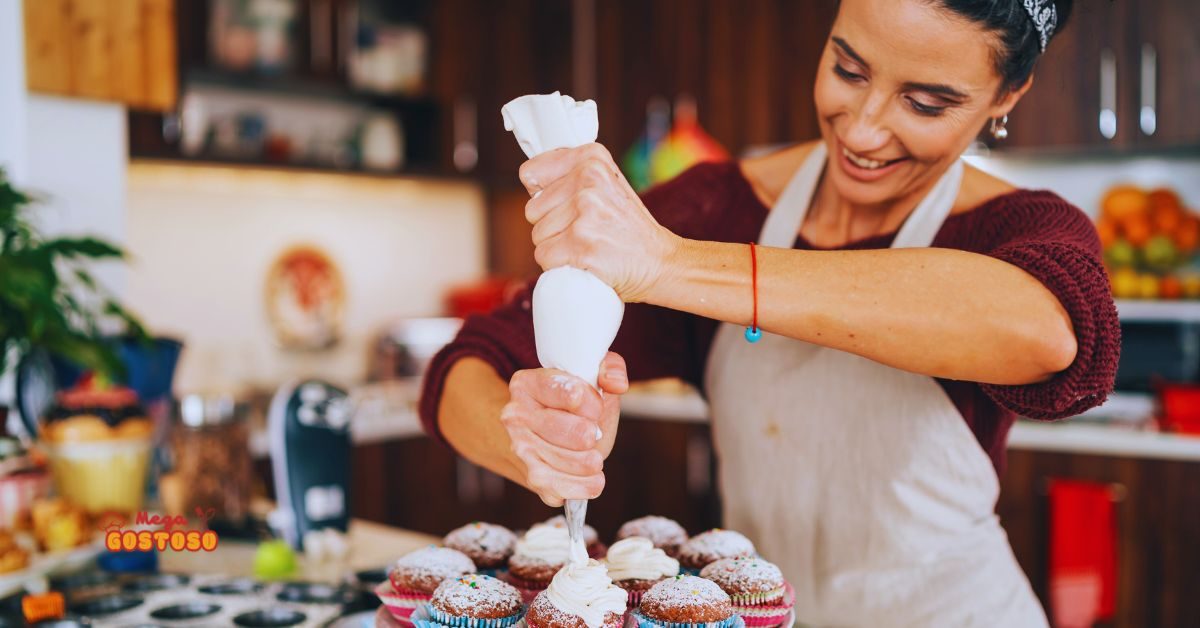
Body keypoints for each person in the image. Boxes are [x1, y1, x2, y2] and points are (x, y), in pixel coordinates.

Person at [420, 0, 1119, 624]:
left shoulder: (1019, 231)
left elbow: (1054, 335)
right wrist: (537, 442)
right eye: (848, 69)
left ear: (1008, 94)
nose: (866, 131)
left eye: (927, 104)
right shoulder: (716, 206)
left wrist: (671, 264)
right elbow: (470, 362)